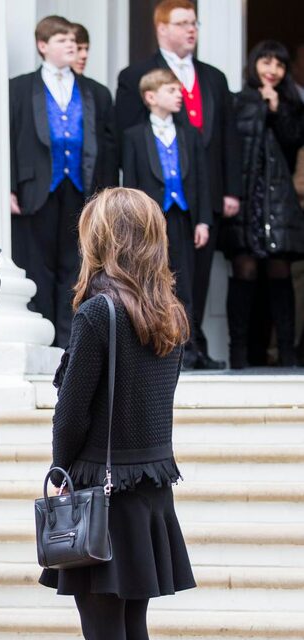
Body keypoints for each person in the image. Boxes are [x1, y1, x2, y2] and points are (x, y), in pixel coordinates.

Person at [39, 187, 196, 640]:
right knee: (131, 629)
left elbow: (70, 414)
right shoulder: (168, 312)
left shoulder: (98, 313)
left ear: (102, 239)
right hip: (148, 488)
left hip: (99, 488)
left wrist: (60, 473)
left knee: (106, 637)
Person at [115, 0, 241, 370]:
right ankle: (163, 347)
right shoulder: (135, 75)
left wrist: (229, 190)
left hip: (201, 194)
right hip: (155, 199)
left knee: (197, 274)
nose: (192, 30)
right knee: (156, 271)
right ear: (162, 29)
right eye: (183, 23)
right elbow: (125, 144)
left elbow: (227, 139)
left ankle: (194, 343)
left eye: (194, 23)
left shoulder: (214, 77)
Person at [10, 15, 117, 347]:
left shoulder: (95, 92)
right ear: (43, 46)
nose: (71, 45)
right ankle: (42, 339)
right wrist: (11, 186)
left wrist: (107, 196)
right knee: (37, 266)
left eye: (73, 40)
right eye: (62, 40)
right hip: (36, 190)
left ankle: (71, 343)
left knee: (77, 265)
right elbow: (10, 138)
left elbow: (109, 148)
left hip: (82, 189)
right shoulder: (19, 87)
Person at [122, 69, 212, 369]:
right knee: (154, 280)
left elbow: (201, 179)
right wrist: (134, 223)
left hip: (183, 218)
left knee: (185, 284)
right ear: (151, 97)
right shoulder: (134, 136)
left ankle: (189, 349)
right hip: (151, 221)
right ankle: (159, 347)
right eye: (171, 90)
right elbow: (132, 180)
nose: (179, 95)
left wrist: (202, 220)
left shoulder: (189, 134)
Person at [224, 40, 304, 368]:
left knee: (279, 271)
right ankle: (239, 354)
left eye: (279, 65)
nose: (272, 70)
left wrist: (276, 110)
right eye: (266, 62)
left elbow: (293, 142)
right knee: (244, 269)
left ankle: (287, 353)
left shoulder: (292, 103)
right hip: (247, 196)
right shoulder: (239, 99)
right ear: (255, 64)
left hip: (280, 199)